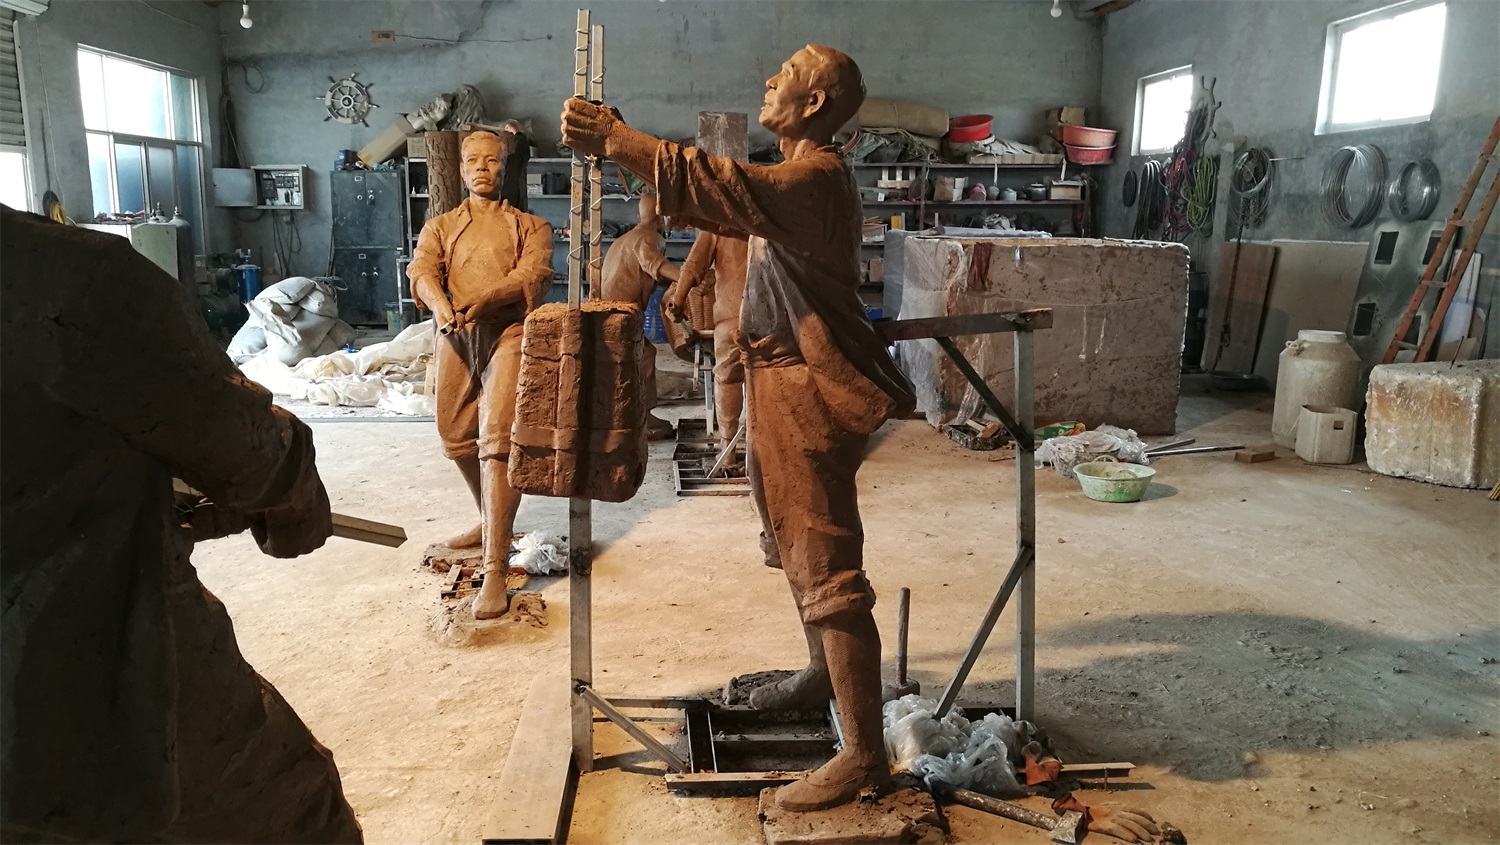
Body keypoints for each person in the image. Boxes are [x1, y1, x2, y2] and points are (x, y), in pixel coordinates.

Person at [562, 45, 915, 812]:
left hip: (806, 385)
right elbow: (709, 204)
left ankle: (863, 755)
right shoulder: (788, 179)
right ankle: (820, 673)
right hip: (772, 380)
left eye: (784, 74)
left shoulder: (815, 178)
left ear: (814, 102)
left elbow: (719, 184)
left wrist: (620, 141)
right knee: (791, 541)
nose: (768, 81)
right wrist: (629, 151)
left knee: (825, 558)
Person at [0, 205, 361, 842]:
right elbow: (243, 447)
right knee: (296, 807)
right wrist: (294, 495)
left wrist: (151, 506)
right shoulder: (63, 274)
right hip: (65, 666)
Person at [407, 131, 554, 620]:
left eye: (492, 160)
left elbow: (531, 275)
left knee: (497, 441)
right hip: (455, 332)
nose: (482, 168)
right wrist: (441, 305)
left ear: (504, 167)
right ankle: (489, 520)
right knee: (455, 437)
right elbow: (421, 271)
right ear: (462, 169)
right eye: (473, 161)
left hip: (507, 332)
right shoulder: (441, 226)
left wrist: (484, 299)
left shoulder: (530, 225)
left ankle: (495, 568)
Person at [600, 191, 681, 439]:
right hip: (621, 314)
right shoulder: (648, 238)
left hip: (610, 312)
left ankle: (632, 415)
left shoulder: (625, 238)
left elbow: (648, 273)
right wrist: (687, 278)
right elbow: (655, 264)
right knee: (644, 355)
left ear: (638, 215)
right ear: (661, 216)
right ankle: (641, 417)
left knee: (639, 355)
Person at [666, 231, 749, 455]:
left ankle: (728, 450)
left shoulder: (718, 226)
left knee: (727, 378)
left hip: (731, 316)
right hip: (768, 317)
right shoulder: (771, 218)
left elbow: (694, 266)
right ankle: (761, 450)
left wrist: (678, 300)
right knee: (763, 378)